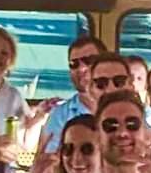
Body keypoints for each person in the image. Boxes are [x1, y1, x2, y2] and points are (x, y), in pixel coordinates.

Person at [33, 30, 103, 163]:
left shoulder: (128, 110)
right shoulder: (60, 116)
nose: (81, 69)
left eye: (89, 60)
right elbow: (46, 164)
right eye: (74, 64)